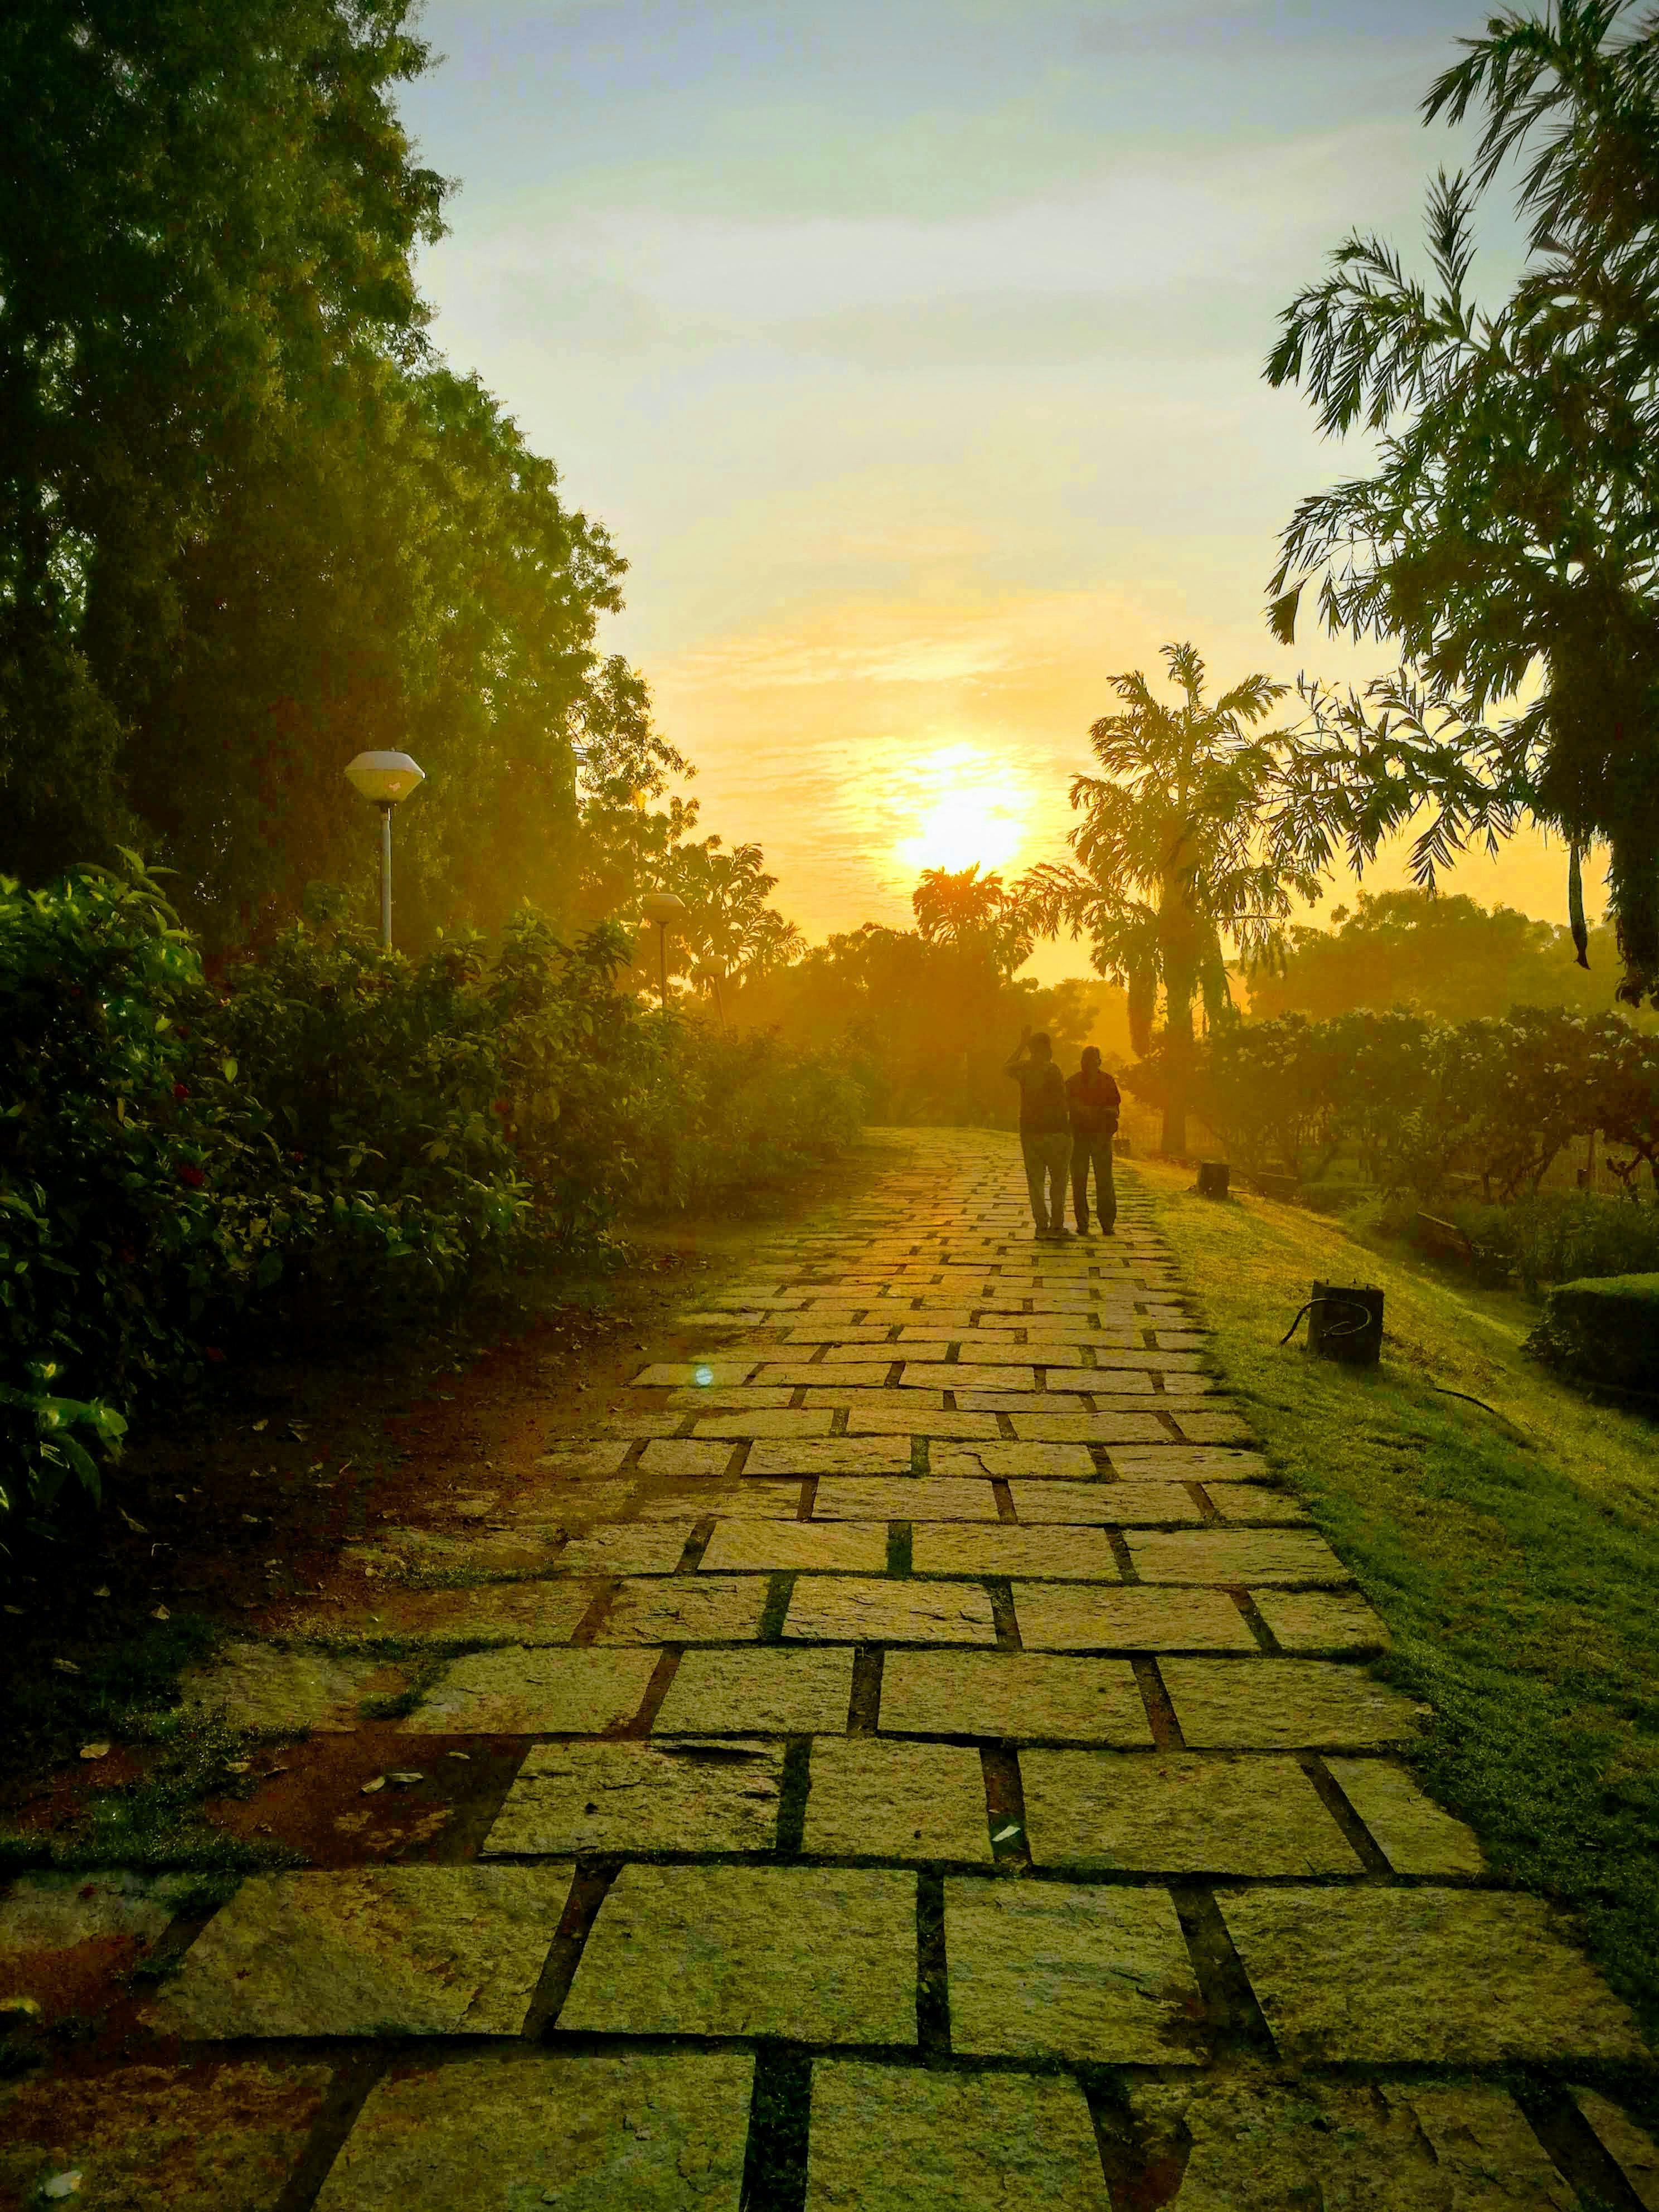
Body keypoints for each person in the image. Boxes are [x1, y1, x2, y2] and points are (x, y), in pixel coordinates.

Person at [1004, 1027, 1072, 1238]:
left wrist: (1021, 1044)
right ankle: (1057, 1225)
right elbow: (1062, 1102)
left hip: (1030, 1131)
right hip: (1056, 1131)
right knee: (1059, 1181)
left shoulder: (1024, 1068)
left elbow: (1006, 1068)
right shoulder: (1053, 1070)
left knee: (1035, 1181)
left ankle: (1042, 1225)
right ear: (1047, 1048)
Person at [1066, 1045, 1120, 1235]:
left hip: (1100, 1136)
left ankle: (1107, 1222)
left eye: (1092, 1060)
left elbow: (1115, 1109)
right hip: (1079, 1136)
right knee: (1080, 1181)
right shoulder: (1073, 1082)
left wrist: (1095, 1112)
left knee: (1103, 1180)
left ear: (1099, 1062)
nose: (1088, 1064)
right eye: (1086, 1060)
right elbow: (1065, 1106)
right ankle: (1083, 1223)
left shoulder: (1107, 1081)